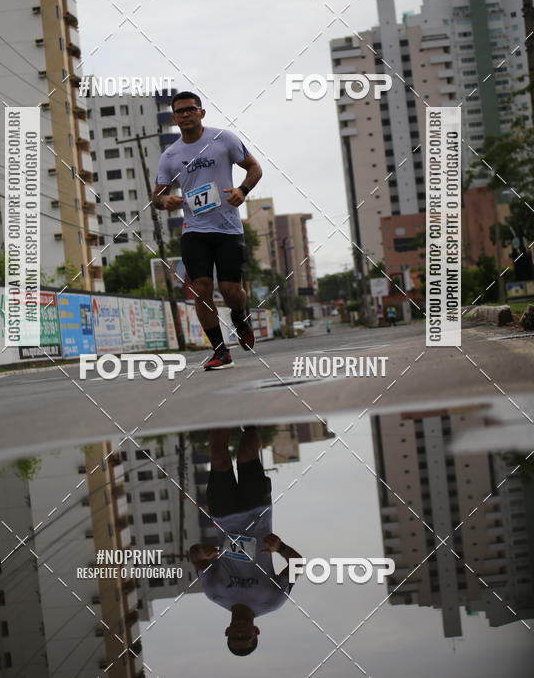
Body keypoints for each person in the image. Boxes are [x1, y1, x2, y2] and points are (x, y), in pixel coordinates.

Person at [152, 92, 262, 370]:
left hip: (228, 228)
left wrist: (242, 190)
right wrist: (166, 200)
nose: (185, 115)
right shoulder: (170, 155)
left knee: (230, 290)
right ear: (174, 118)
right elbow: (157, 197)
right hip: (194, 230)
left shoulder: (223, 139)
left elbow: (254, 168)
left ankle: (240, 316)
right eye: (180, 111)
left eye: (191, 109)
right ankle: (220, 350)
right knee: (200, 288)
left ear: (201, 113)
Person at [189, 427, 300, 656]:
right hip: (258, 511)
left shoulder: (215, 593)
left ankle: (220, 411)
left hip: (224, 515)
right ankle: (249, 416)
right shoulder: (272, 600)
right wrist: (280, 548)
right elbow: (297, 564)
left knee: (219, 459)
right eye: (245, 637)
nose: (240, 632)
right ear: (255, 631)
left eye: (235, 637)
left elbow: (194, 556)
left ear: (227, 631)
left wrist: (203, 552)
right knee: (248, 449)